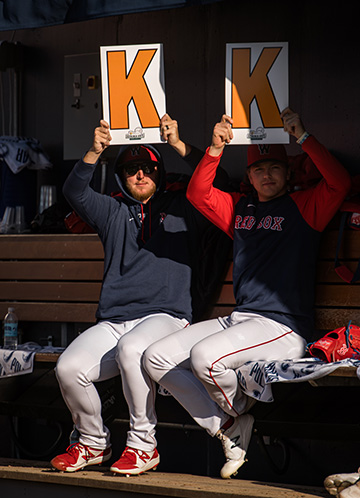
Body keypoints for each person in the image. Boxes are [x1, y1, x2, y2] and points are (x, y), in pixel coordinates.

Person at [144, 108, 352, 478]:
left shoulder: (305, 208)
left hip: (283, 327)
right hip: (241, 319)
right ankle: (228, 425)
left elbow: (339, 183)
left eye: (274, 168)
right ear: (249, 176)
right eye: (258, 169)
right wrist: (214, 148)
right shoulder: (241, 209)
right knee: (155, 357)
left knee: (205, 357)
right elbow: (198, 193)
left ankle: (236, 412)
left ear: (287, 173)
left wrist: (303, 136)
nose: (266, 175)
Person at [50, 114, 230, 475]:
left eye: (148, 167)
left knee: (133, 348)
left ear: (159, 173)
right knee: (68, 368)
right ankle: (92, 442)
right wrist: (94, 151)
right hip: (115, 320)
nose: (140, 174)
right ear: (122, 177)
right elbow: (74, 192)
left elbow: (220, 181)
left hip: (165, 317)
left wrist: (179, 145)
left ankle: (143, 445)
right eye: (132, 169)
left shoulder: (184, 206)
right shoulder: (113, 211)